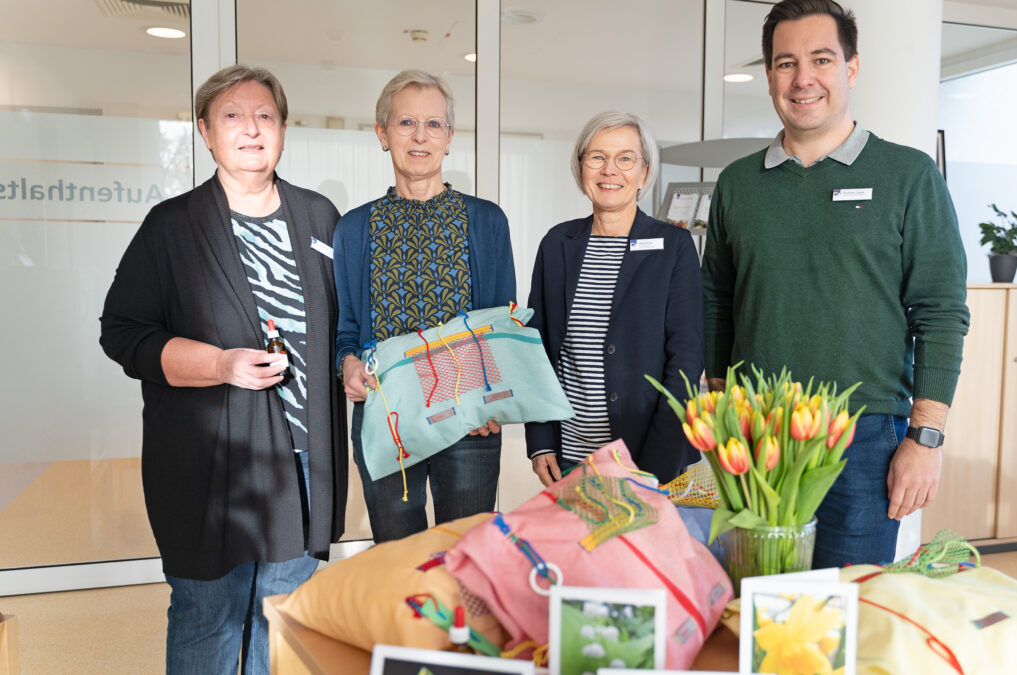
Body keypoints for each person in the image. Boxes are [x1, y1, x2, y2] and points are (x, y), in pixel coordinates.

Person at [701, 0, 969, 569]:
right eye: (785, 63)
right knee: (758, 606)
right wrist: (722, 411)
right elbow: (716, 301)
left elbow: (941, 311)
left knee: (848, 609)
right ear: (769, 74)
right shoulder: (736, 184)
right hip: (759, 432)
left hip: (866, 435)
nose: (803, 79)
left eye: (821, 59)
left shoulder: (909, 175)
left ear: (850, 68)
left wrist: (925, 440)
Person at [99, 65, 347, 673]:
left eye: (265, 115)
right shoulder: (172, 226)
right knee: (208, 613)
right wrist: (218, 363)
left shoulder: (320, 218)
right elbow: (123, 333)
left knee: (284, 614)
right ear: (206, 133)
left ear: (283, 130)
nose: (251, 129)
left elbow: (345, 326)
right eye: (232, 116)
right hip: (208, 463)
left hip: (302, 462)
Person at [334, 70, 515, 543]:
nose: (420, 137)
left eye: (434, 125)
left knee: (468, 559)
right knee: (399, 563)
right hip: (387, 416)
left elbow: (502, 324)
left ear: (450, 138)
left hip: (470, 421)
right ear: (382, 133)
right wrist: (347, 363)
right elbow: (347, 330)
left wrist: (493, 398)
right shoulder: (355, 228)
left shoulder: (486, 221)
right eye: (406, 123)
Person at [526, 111, 704, 486]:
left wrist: (654, 466)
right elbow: (537, 349)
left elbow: (686, 358)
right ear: (581, 167)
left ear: (644, 172)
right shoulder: (558, 243)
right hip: (571, 457)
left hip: (650, 457)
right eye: (597, 157)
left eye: (625, 158)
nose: (610, 170)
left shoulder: (673, 246)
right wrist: (541, 441)